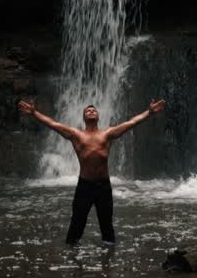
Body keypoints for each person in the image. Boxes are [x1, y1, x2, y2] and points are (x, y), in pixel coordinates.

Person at [16, 96, 166, 246]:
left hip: (104, 187)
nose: (91, 110)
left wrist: (149, 112)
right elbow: (53, 124)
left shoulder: (108, 134)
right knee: (76, 227)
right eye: (88, 110)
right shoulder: (76, 135)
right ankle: (72, 260)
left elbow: (131, 123)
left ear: (98, 116)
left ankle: (107, 261)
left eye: (93, 110)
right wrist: (34, 113)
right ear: (84, 117)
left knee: (107, 227)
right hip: (84, 187)